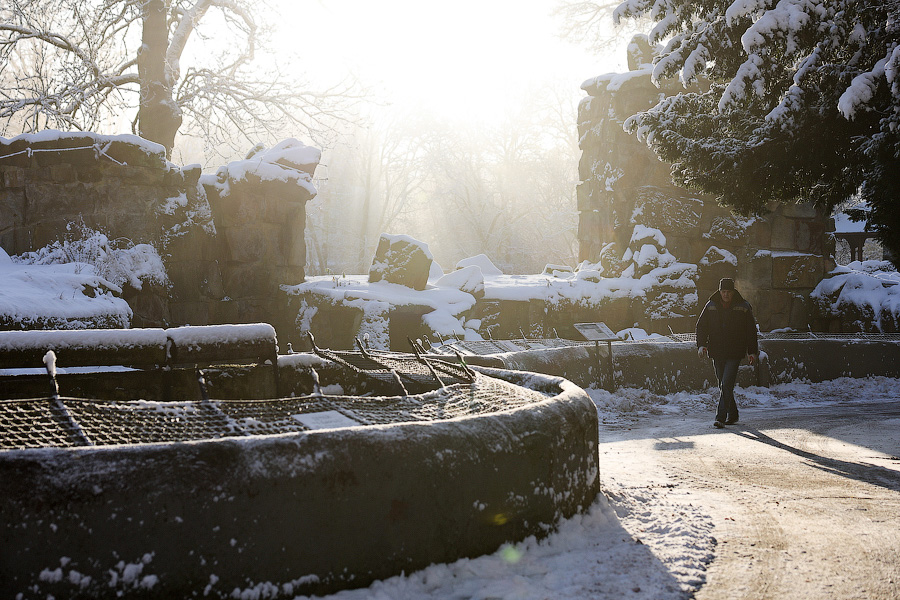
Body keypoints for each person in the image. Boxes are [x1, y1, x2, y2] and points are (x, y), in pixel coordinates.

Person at [696, 278, 759, 428]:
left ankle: (721, 417)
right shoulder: (711, 305)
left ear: (733, 292)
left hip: (735, 352)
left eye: (728, 292)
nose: (726, 295)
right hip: (717, 351)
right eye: (723, 292)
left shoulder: (743, 307)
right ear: (720, 291)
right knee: (723, 384)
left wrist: (752, 352)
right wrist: (702, 345)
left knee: (726, 384)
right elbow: (701, 326)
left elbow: (751, 331)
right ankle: (734, 414)